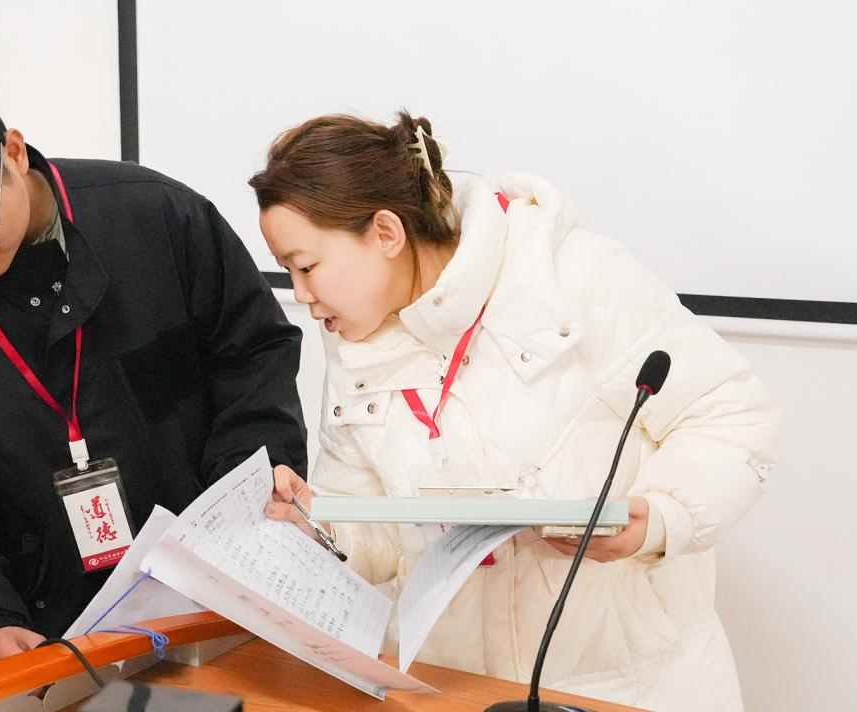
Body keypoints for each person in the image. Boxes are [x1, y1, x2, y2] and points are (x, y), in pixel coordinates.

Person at [254, 111, 778, 710]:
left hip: (622, 685)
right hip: (456, 690)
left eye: (306, 266)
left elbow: (732, 412)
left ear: (386, 233)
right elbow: (379, 526)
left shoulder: (573, 277)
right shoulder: (355, 341)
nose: (300, 294)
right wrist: (321, 524)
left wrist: (661, 519)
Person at [0, 49, 307, 677]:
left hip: (214, 605)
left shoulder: (157, 219)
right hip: (48, 644)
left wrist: (251, 499)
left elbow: (252, 359)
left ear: (11, 153)